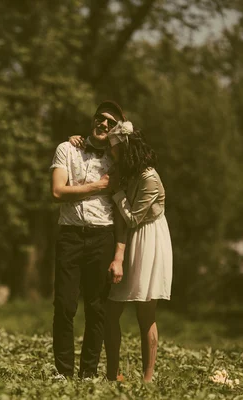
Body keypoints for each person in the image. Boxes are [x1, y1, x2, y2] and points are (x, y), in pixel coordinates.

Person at [69, 120, 173, 382]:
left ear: (127, 149)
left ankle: (147, 380)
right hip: (126, 239)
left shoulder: (149, 178)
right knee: (112, 309)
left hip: (148, 239)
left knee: (145, 312)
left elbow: (133, 218)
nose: (111, 152)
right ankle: (112, 373)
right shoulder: (128, 171)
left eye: (115, 148)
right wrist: (76, 139)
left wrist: (115, 192)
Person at [49, 101, 127, 379]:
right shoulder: (67, 149)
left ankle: (89, 374)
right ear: (92, 121)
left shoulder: (117, 161)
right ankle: (63, 372)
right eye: (100, 118)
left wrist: (119, 254)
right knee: (65, 305)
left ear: (116, 130)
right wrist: (96, 187)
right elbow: (57, 192)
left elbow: (120, 214)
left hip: (101, 236)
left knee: (97, 308)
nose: (104, 124)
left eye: (111, 122)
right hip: (70, 234)